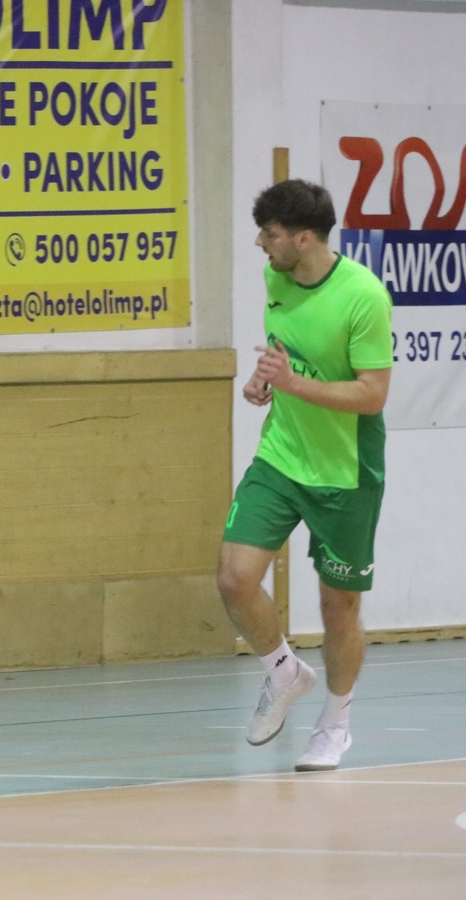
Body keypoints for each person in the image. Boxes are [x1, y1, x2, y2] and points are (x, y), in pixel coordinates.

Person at [218, 179, 392, 772]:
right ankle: (284, 671)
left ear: (304, 238)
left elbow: (372, 395)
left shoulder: (364, 297)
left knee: (337, 606)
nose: (261, 244)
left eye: (269, 234)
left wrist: (294, 383)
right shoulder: (278, 277)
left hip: (345, 470)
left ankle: (335, 725)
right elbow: (284, 351)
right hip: (281, 456)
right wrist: (264, 380)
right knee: (235, 579)